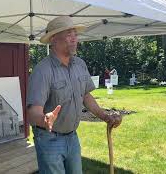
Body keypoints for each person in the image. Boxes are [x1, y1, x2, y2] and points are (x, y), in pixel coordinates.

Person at [27, 16, 122, 174]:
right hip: (49, 139)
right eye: (69, 34)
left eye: (75, 34)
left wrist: (105, 116)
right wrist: (45, 119)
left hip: (72, 137)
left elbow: (86, 96)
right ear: (54, 39)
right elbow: (32, 112)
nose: (74, 38)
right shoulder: (42, 71)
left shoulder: (80, 64)